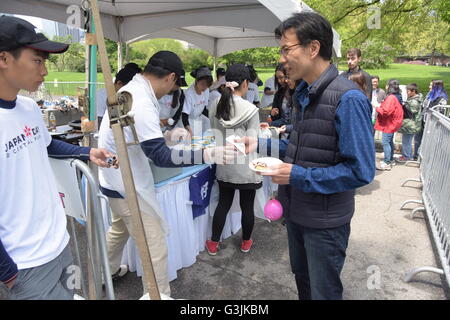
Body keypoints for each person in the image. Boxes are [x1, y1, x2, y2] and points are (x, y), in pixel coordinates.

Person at [246, 12, 375, 300]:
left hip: (325, 225)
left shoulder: (348, 99)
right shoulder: (305, 93)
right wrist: (257, 144)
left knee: (323, 292)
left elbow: (361, 171)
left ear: (313, 48)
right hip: (297, 214)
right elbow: (301, 150)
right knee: (304, 284)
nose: (281, 58)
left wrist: (297, 175)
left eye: (286, 49)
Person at [98, 51, 236, 297]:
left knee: (119, 231)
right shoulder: (141, 101)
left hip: (112, 181)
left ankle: (105, 273)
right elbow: (160, 156)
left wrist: (168, 136)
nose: (170, 93)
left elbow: (136, 138)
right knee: (155, 247)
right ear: (171, 78)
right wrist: (207, 154)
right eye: (174, 87)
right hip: (126, 185)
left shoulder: (130, 90)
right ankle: (157, 294)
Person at [0, 15, 118, 300]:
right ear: (4, 58)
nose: (45, 71)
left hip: (59, 241)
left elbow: (48, 144)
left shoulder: (28, 107)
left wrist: (87, 151)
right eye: (38, 60)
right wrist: (8, 273)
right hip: (25, 264)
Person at [206, 64, 262, 255]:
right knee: (248, 206)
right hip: (246, 166)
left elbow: (215, 133)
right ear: (245, 83)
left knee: (224, 203)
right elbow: (252, 140)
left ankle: (213, 243)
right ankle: (246, 242)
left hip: (224, 164)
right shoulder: (250, 110)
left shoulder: (215, 105)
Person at [374, 79, 404, 170]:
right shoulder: (397, 96)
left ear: (389, 86)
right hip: (394, 122)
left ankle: (387, 162)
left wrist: (377, 107)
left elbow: (386, 111)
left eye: (387, 85)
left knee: (385, 142)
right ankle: (390, 160)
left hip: (390, 123)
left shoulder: (391, 97)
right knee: (390, 141)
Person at [414, 80, 448, 159]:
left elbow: (440, 112)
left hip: (432, 123)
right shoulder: (429, 94)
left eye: (431, 85)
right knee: (418, 138)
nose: (429, 87)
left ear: (436, 87)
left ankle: (426, 158)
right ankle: (416, 156)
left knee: (428, 140)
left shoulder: (442, 98)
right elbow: (423, 106)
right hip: (422, 121)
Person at [181, 66, 213, 137]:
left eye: (207, 85)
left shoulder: (205, 90)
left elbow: (203, 109)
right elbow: (184, 115)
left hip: (198, 121)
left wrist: (213, 117)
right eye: (202, 84)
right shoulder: (189, 94)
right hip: (189, 123)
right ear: (196, 80)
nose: (204, 87)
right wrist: (189, 130)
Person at [398, 83, 423, 162]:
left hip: (411, 124)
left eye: (408, 91)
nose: (407, 93)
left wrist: (404, 106)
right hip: (411, 124)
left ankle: (407, 157)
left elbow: (411, 112)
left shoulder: (414, 101)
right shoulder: (413, 99)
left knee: (406, 141)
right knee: (406, 140)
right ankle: (407, 156)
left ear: (413, 91)